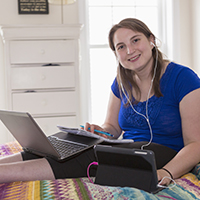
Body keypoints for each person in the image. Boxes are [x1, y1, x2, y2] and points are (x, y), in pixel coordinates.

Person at [0, 18, 200, 187]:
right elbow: (112, 127)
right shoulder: (122, 82)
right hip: (130, 146)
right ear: (116, 53)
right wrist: (98, 131)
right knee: (65, 140)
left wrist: (165, 172)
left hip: (163, 152)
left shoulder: (183, 78)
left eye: (135, 40)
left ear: (151, 41)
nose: (130, 50)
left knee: (95, 155)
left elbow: (196, 143)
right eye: (121, 47)